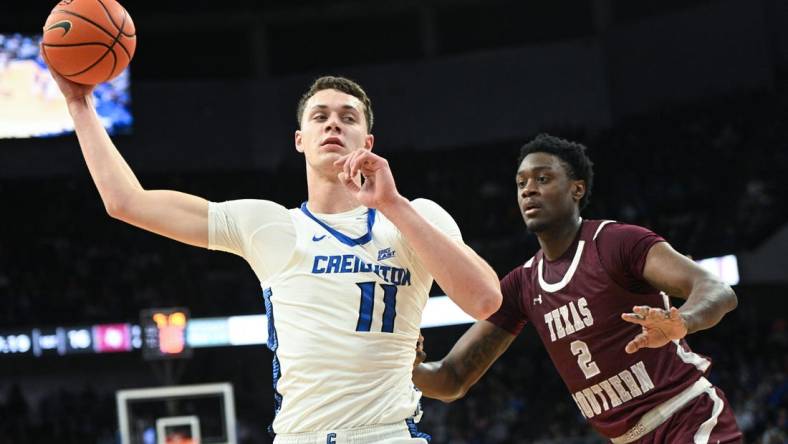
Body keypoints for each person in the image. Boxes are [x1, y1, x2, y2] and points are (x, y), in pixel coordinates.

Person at [49, 70, 502, 443]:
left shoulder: (414, 216)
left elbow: (485, 300)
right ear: (300, 139)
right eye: (319, 116)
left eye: (348, 117)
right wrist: (79, 106)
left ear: (367, 140)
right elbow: (126, 202)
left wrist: (392, 204)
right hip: (298, 434)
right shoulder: (269, 224)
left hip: (388, 433)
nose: (333, 125)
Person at [413, 134, 742, 443]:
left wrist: (683, 320)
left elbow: (715, 289)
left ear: (577, 189)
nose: (528, 190)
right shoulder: (522, 284)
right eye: (521, 183)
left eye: (542, 179)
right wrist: (403, 366)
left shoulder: (615, 242)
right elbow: (452, 378)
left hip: (687, 417)